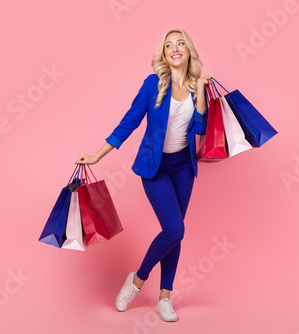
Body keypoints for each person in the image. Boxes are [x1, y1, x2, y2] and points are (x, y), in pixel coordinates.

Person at [76, 28, 215, 322]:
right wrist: (97, 155)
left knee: (174, 234)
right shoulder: (153, 84)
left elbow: (201, 130)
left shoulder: (195, 87)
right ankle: (137, 280)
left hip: (183, 168)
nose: (174, 49)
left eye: (180, 44)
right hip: (155, 168)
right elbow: (130, 121)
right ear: (164, 55)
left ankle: (165, 297)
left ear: (189, 50)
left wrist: (201, 91)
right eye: (168, 46)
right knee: (175, 230)